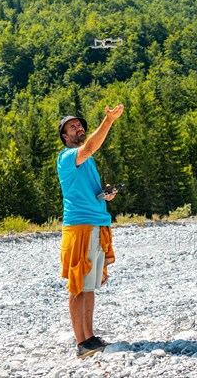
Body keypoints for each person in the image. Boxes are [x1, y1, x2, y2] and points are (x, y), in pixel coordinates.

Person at [57, 105, 124, 359]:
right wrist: (108, 121)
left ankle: (90, 336)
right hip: (79, 227)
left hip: (96, 223)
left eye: (80, 124)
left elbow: (93, 192)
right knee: (77, 285)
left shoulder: (88, 161)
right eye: (72, 126)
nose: (79, 128)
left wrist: (106, 194)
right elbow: (90, 147)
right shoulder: (66, 157)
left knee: (89, 285)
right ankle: (81, 342)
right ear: (65, 136)